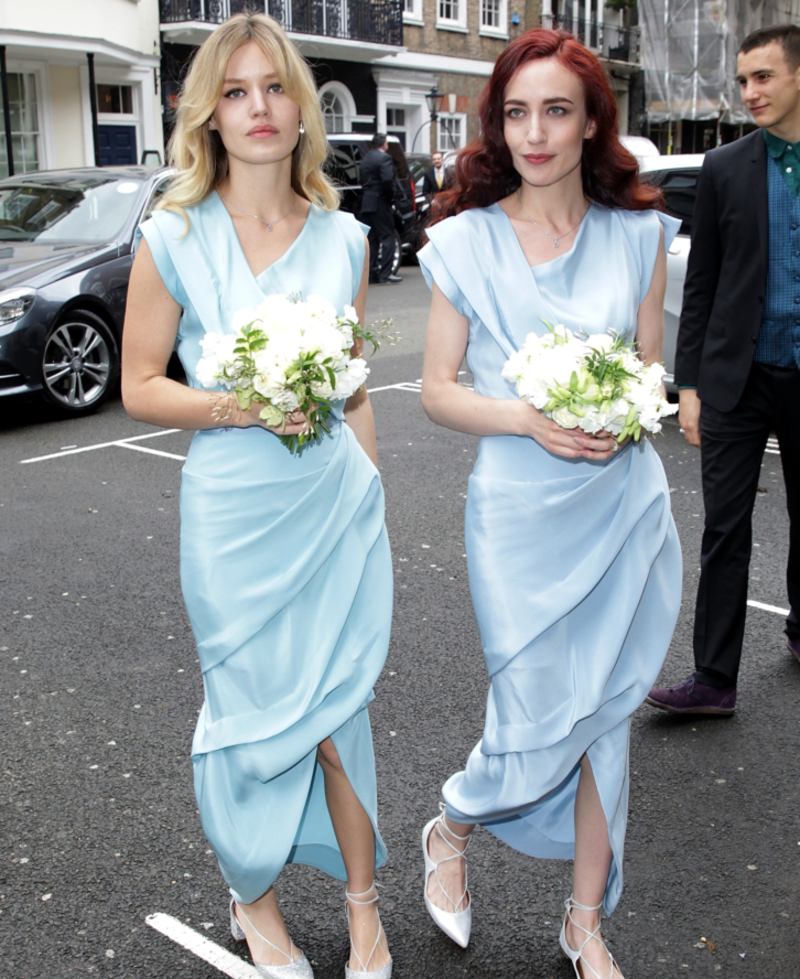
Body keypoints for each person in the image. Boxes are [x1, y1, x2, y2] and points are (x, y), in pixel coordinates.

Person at [121, 13, 393, 978]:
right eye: (235, 92)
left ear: (302, 104)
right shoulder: (175, 235)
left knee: (337, 713)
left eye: (274, 87)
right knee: (247, 719)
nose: (259, 109)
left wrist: (374, 503)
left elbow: (352, 386)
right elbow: (141, 383)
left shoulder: (346, 240)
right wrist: (239, 406)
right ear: (207, 115)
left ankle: (365, 907)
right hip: (234, 518)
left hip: (331, 503)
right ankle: (255, 898)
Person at [416, 28, 682, 979]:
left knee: (604, 717)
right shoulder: (463, 241)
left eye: (556, 111)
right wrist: (530, 420)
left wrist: (625, 410)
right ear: (498, 123)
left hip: (621, 510)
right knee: (533, 716)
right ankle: (450, 824)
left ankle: (584, 922)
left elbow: (651, 374)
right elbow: (438, 391)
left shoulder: (642, 235)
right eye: (516, 112)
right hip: (519, 520)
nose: (534, 132)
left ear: (590, 123)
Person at [646, 24, 800, 718]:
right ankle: (713, 678)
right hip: (736, 378)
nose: (750, 92)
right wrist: (691, 387)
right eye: (743, 80)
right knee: (724, 528)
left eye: (763, 77)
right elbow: (700, 283)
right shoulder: (726, 167)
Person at [358, 134, 401, 284]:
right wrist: (391, 197)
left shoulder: (366, 159)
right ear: (384, 144)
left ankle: (371, 272)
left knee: (373, 239)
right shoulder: (384, 158)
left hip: (367, 201)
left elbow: (361, 179)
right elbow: (388, 180)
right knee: (388, 236)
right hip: (381, 201)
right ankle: (386, 273)